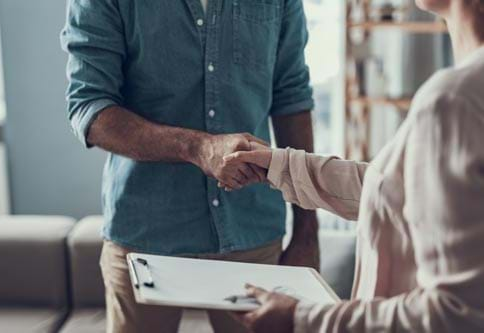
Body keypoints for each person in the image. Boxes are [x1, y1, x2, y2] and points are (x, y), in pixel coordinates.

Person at [223, 0, 484, 332]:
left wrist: (300, 318)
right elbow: (397, 192)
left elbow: (456, 314)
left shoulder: (452, 102)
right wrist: (282, 165)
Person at [60, 0, 319, 332]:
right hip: (145, 238)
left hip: (252, 229)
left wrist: (307, 231)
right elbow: (90, 106)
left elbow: (292, 96)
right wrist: (198, 147)